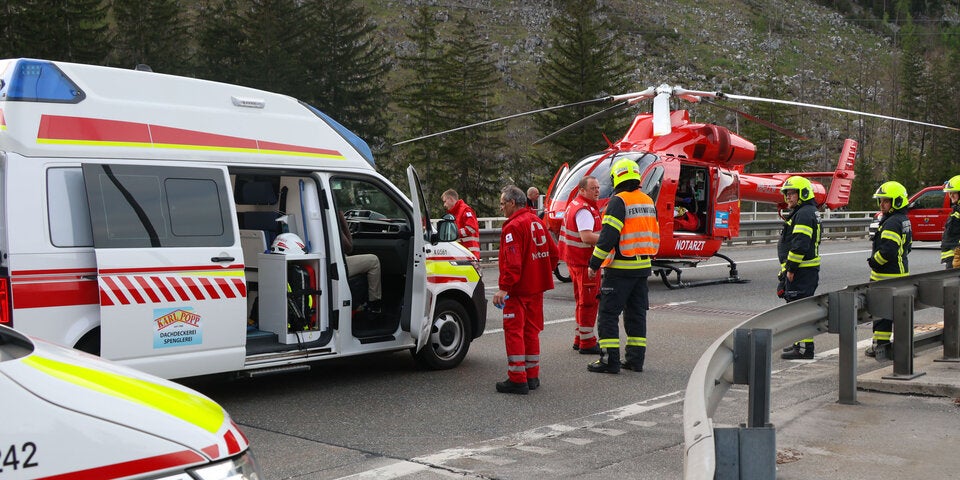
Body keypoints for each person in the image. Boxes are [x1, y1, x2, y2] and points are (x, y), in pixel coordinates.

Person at [586, 159, 660, 374]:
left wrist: (594, 263)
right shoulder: (647, 201)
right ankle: (635, 360)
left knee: (608, 314)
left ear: (616, 178)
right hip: (643, 267)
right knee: (636, 315)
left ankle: (610, 361)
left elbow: (608, 236)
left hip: (620, 268)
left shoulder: (618, 201)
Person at [492, 185, 559, 394]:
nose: (501, 208)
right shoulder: (536, 222)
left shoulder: (513, 226)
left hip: (518, 291)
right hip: (535, 289)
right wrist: (538, 272)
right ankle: (532, 376)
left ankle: (517, 379)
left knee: (514, 332)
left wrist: (504, 288)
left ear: (513, 203)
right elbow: (554, 253)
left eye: (503, 204)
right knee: (531, 332)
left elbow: (512, 263)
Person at [777, 176, 822, 360]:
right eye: (786, 193)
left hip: (802, 271)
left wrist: (791, 269)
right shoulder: (804, 211)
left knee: (800, 309)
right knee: (797, 308)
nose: (788, 197)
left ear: (802, 193)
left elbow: (800, 245)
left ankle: (804, 348)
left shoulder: (803, 214)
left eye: (791, 193)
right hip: (804, 270)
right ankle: (799, 344)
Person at [865, 181, 912, 358]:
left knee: (881, 312)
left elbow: (888, 250)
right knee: (893, 313)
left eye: (886, 201)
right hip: (899, 273)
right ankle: (889, 345)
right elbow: (907, 246)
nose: (882, 204)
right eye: (881, 201)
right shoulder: (903, 220)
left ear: (897, 202)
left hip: (885, 276)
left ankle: (880, 346)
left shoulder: (892, 222)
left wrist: (874, 262)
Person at [559, 175, 602, 355]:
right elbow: (586, 237)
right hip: (585, 262)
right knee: (588, 303)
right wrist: (609, 240)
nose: (597, 191)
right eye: (593, 188)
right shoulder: (584, 210)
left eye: (598, 187)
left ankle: (579, 338)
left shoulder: (575, 205)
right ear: (582, 190)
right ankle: (587, 342)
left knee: (581, 301)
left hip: (575, 260)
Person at [338, 213, 383, 313]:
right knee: (373, 261)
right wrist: (342, 221)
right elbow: (349, 248)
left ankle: (358, 304)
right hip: (336, 265)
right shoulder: (330, 220)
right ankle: (374, 306)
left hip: (332, 262)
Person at [441, 189, 481, 260]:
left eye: (445, 201)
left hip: (470, 253)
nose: (444, 205)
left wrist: (454, 233)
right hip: (462, 253)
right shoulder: (454, 213)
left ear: (451, 199)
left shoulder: (465, 210)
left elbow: (471, 228)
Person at [939, 175, 960, 269]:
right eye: (949, 193)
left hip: (956, 259)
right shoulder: (956, 209)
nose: (951, 195)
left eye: (954, 193)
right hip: (952, 258)